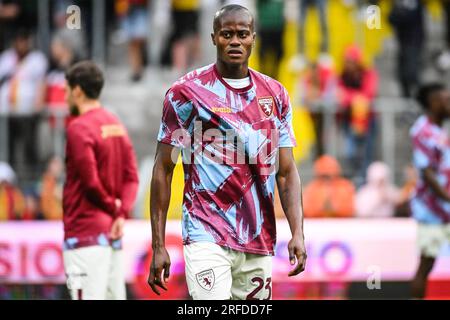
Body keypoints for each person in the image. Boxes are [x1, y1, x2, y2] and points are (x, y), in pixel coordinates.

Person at [148, 4, 307, 300]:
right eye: (227, 34)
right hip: (205, 231)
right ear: (213, 38)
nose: (235, 41)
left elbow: (286, 173)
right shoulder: (186, 93)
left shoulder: (276, 95)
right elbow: (163, 169)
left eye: (242, 34)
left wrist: (298, 231)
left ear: (253, 38)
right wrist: (158, 245)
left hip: (257, 238)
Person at [62, 61, 139, 300]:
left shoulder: (78, 128)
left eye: (66, 90)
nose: (65, 97)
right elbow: (132, 178)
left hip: (84, 235)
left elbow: (90, 183)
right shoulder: (116, 124)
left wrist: (113, 207)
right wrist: (120, 212)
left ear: (77, 91)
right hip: (112, 235)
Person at [410, 83, 450, 299]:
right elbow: (427, 172)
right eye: (446, 100)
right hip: (432, 208)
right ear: (433, 102)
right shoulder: (422, 130)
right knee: (426, 264)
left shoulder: (439, 130)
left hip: (445, 207)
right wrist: (447, 198)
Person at [0, 29, 48, 176]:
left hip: (27, 112)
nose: (21, 44)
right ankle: (8, 179)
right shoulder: (6, 58)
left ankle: (31, 178)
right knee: (8, 148)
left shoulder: (37, 59)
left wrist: (39, 102)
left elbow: (41, 83)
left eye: (24, 40)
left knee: (29, 147)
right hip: (7, 112)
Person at [337, 45, 378, 182]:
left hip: (368, 120)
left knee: (367, 153)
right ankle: (355, 178)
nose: (348, 64)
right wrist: (356, 99)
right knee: (350, 153)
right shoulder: (343, 76)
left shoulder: (367, 74)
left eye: (351, 61)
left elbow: (369, 94)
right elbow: (339, 94)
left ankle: (364, 181)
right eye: (346, 61)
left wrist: (350, 98)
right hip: (348, 120)